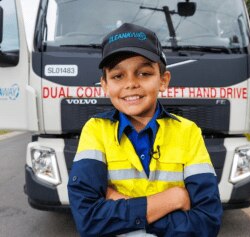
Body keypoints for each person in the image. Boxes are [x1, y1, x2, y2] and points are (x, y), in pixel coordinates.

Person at [67, 23, 223, 237]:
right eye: (118, 76)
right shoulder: (95, 130)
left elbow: (207, 222)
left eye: (144, 73)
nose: (131, 84)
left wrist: (124, 207)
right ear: (104, 85)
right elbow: (88, 219)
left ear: (163, 80)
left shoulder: (188, 132)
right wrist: (172, 199)